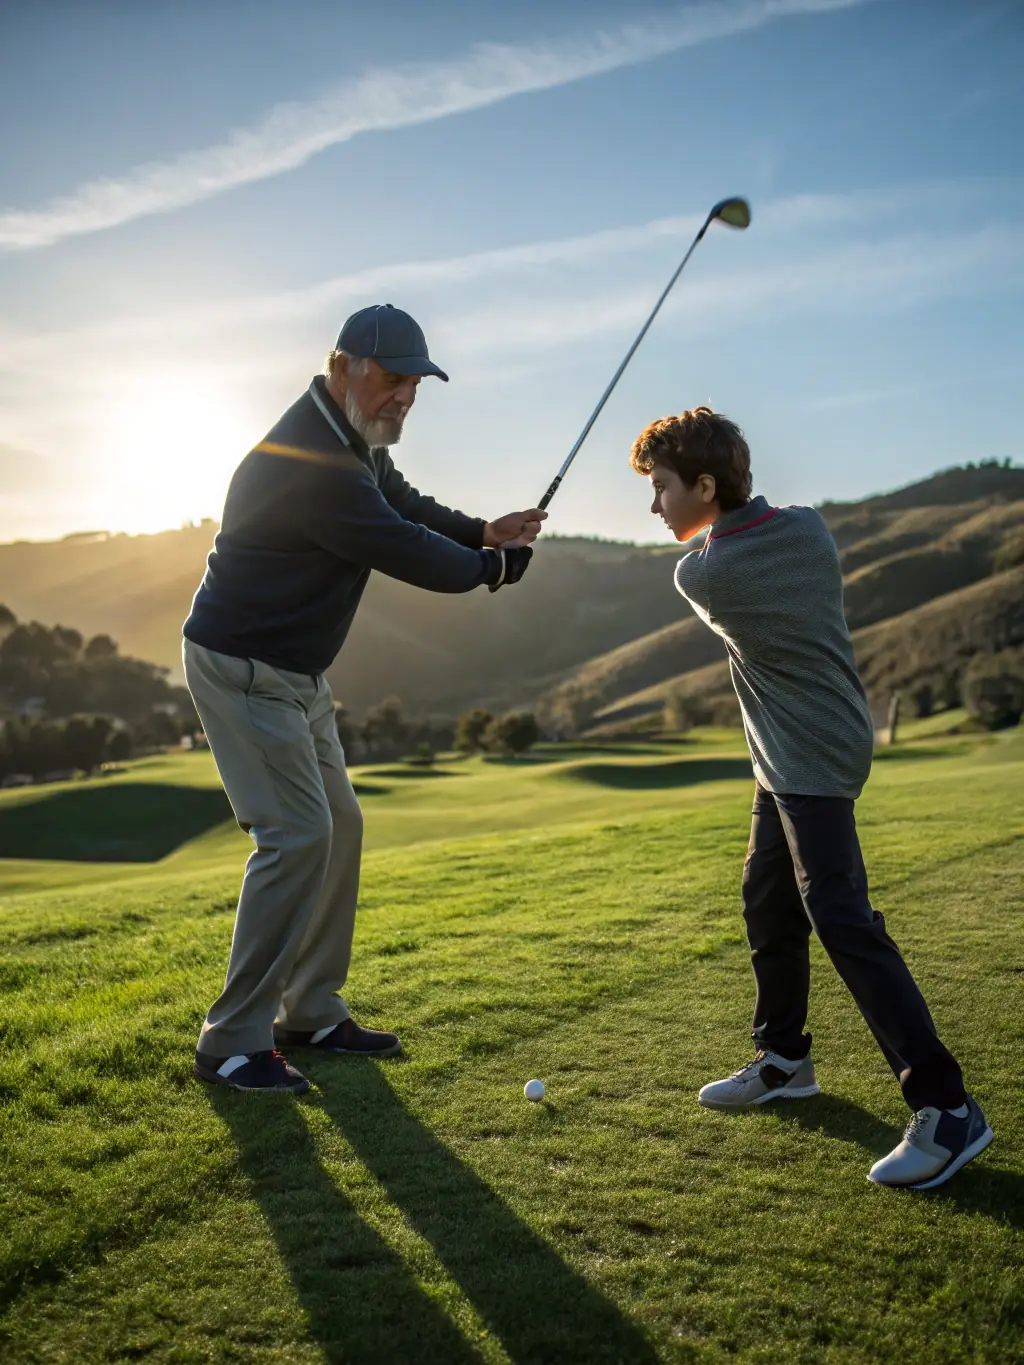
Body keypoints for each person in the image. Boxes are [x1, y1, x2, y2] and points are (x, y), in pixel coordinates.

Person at [183, 304, 545, 1095]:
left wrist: (484, 531)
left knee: (339, 823)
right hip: (245, 667)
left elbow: (404, 502)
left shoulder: (349, 440)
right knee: (295, 835)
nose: (405, 397)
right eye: (393, 379)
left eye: (415, 385)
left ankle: (308, 1010)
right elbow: (399, 544)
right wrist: (493, 569)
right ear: (344, 366)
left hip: (296, 672)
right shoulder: (316, 461)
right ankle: (231, 1040)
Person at [629, 406, 992, 1190]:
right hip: (799, 749)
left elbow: (710, 551)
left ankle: (946, 1105)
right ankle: (784, 1057)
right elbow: (755, 521)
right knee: (767, 897)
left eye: (661, 487)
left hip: (809, 755)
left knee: (841, 917)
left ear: (704, 485)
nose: (653, 505)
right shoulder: (810, 527)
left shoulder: (703, 575)